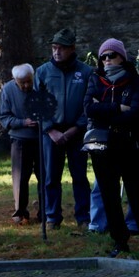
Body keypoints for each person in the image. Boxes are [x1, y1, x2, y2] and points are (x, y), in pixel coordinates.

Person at [83, 38, 139, 261]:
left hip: (128, 145)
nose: (107, 60)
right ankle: (120, 240)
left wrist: (105, 112)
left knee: (138, 195)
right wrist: (118, 107)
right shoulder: (95, 79)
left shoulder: (135, 81)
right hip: (101, 147)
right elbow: (89, 109)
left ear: (122, 57)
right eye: (103, 56)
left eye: (112, 55)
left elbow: (136, 113)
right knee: (109, 197)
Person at [87, 83, 139, 234]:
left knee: (137, 188)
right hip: (106, 143)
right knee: (101, 185)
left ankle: (134, 223)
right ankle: (98, 223)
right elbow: (92, 113)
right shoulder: (103, 86)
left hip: (135, 145)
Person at [34, 28, 93, 230]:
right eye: (54, 47)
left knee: (80, 176)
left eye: (61, 48)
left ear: (72, 48)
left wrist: (76, 128)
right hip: (51, 133)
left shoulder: (86, 72)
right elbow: (36, 104)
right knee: (51, 177)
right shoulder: (42, 72)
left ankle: (83, 216)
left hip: (77, 132)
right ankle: (52, 217)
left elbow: (89, 103)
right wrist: (50, 130)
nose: (57, 52)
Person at [0, 63, 41, 224]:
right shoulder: (8, 90)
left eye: (29, 81)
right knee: (20, 178)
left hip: (41, 138)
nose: (26, 85)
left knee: (44, 177)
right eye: (22, 82)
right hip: (19, 139)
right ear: (15, 80)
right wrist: (23, 122)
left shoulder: (41, 86)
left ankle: (45, 212)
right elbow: (4, 117)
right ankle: (20, 212)